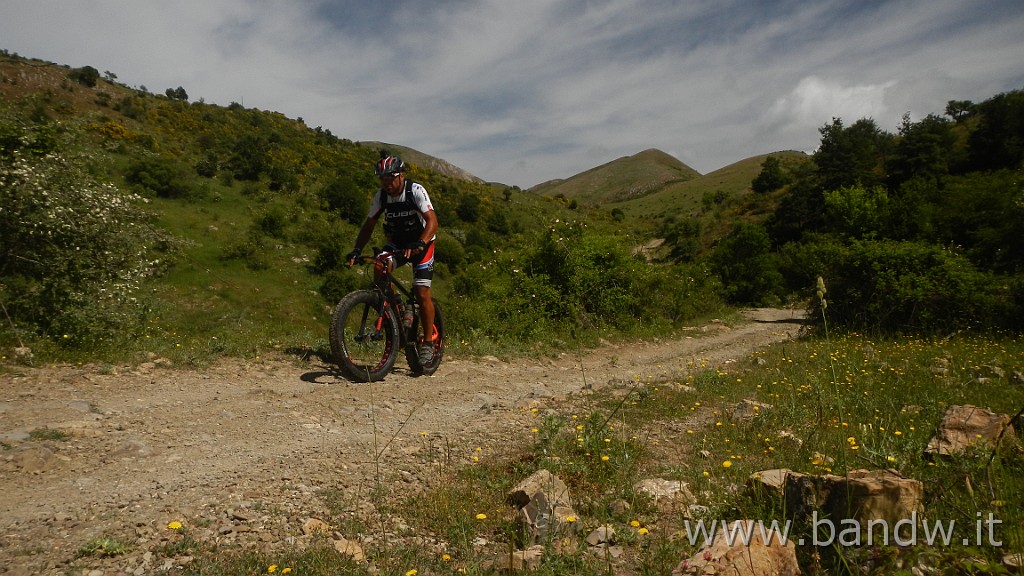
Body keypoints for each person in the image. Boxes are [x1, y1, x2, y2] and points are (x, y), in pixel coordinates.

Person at [347, 153, 439, 365]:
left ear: (401, 176)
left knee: (422, 292)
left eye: (390, 178)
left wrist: (421, 242)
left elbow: (432, 221)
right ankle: (394, 304)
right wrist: (356, 249)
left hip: (421, 243)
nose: (386, 183)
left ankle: (427, 342)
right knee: (379, 265)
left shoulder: (415, 191)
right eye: (382, 179)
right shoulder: (381, 197)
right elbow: (369, 224)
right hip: (397, 243)